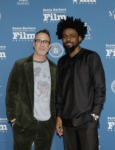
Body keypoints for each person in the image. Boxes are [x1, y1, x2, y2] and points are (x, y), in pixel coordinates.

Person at [55, 16, 106, 150]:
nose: (68, 39)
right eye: (65, 36)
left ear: (80, 38)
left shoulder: (91, 57)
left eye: (72, 35)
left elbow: (100, 88)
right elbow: (59, 93)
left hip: (86, 122)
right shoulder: (61, 62)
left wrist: (94, 114)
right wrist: (59, 116)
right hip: (67, 122)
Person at [6, 29, 56, 150]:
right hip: (24, 124)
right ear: (33, 44)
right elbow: (11, 92)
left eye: (45, 41)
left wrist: (55, 120)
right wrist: (12, 118)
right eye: (39, 41)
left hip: (47, 124)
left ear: (49, 46)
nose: (42, 44)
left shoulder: (55, 69)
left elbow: (57, 97)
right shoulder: (20, 65)